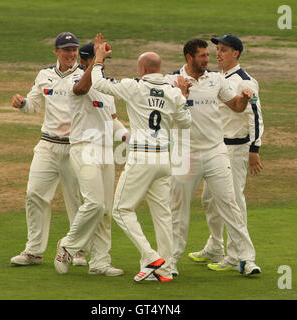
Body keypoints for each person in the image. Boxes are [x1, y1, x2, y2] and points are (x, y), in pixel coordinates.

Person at [87, 34, 192, 282]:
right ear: (159, 69)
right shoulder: (174, 92)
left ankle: (151, 256)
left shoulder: (134, 86)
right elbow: (186, 122)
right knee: (162, 214)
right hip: (164, 161)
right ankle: (164, 270)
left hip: (142, 158)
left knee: (121, 210)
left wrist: (99, 59)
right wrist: (183, 96)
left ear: (142, 69)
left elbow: (99, 84)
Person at [165, 38, 261, 276]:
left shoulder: (215, 80)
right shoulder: (171, 81)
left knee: (230, 204)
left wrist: (245, 97)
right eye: (202, 56)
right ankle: (170, 261)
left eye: (208, 55)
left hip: (215, 151)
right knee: (178, 209)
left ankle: (246, 260)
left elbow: (236, 106)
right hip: (185, 154)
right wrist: (181, 95)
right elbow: (167, 115)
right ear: (189, 58)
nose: (208, 59)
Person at [54, 39, 130, 276]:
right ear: (85, 60)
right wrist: (95, 62)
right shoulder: (73, 79)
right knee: (94, 204)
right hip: (84, 148)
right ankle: (67, 246)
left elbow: (111, 118)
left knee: (105, 209)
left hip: (106, 150)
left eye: (105, 61)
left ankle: (99, 263)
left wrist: (127, 135)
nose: (103, 65)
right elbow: (81, 90)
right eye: (98, 60)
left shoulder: (105, 87)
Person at [10, 32, 87, 267]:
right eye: (66, 50)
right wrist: (23, 104)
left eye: (74, 49)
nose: (71, 54)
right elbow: (34, 106)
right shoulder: (44, 75)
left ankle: (78, 250)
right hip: (48, 145)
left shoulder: (85, 75)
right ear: (56, 51)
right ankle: (33, 251)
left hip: (75, 147)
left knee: (77, 201)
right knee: (34, 194)